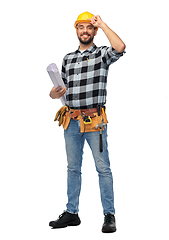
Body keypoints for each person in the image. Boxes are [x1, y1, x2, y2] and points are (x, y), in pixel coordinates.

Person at [49, 12, 126, 233]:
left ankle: (109, 214)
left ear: (94, 31)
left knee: (103, 168)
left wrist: (102, 24)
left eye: (89, 27)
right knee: (73, 168)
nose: (85, 31)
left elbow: (120, 47)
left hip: (95, 122)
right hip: (71, 121)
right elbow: (59, 94)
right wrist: (54, 93)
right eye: (81, 27)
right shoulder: (68, 58)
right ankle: (72, 213)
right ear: (76, 30)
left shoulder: (102, 54)